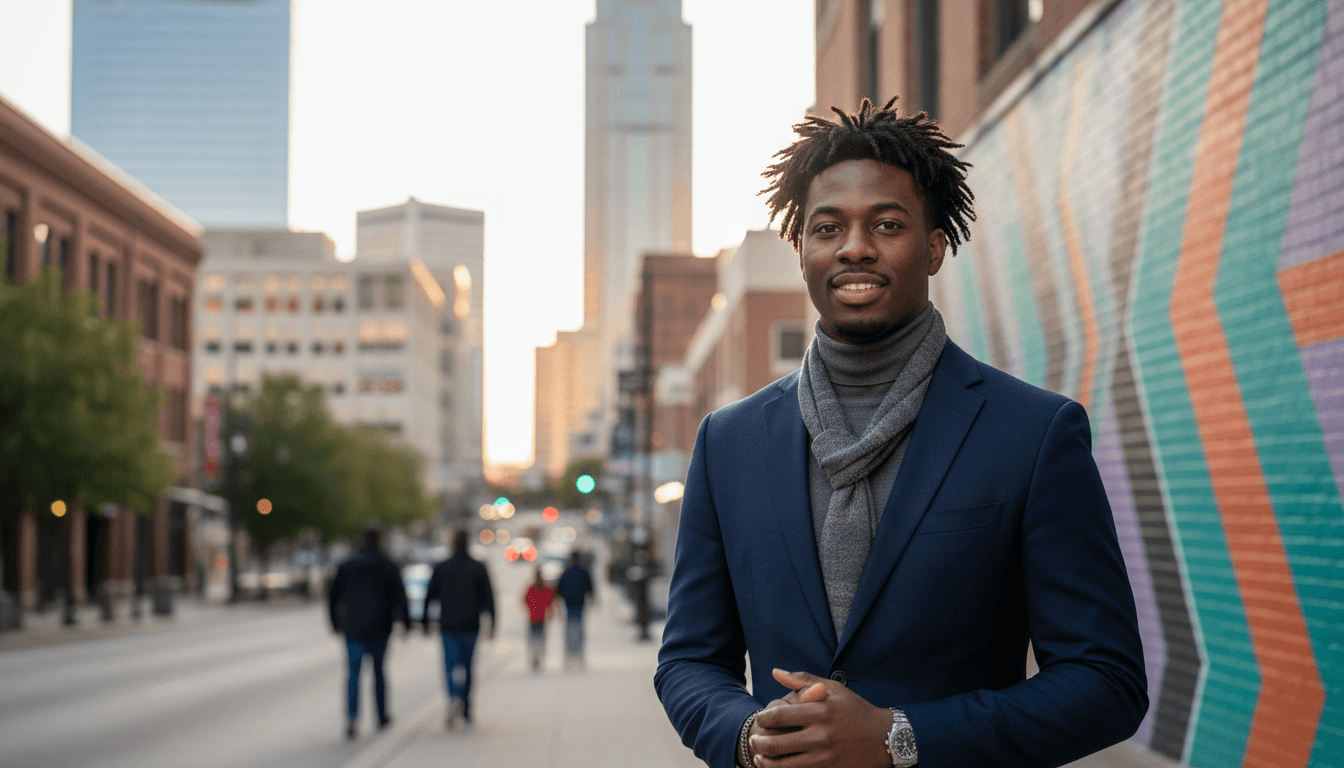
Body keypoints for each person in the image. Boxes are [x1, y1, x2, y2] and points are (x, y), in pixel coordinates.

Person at [654, 97, 1147, 768]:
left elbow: (1106, 681)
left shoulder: (1034, 434)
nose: (854, 246)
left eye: (886, 224)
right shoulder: (728, 443)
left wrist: (901, 738)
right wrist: (748, 737)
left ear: (936, 245)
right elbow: (688, 659)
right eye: (827, 228)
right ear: (802, 249)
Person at [328, 524, 409, 740]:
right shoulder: (389, 566)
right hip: (380, 627)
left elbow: (333, 596)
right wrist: (405, 623)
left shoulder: (346, 566)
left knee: (353, 675)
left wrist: (335, 623)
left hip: (353, 628)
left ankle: (352, 719)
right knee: (379, 673)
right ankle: (381, 716)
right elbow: (400, 598)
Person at [424, 529, 495, 728]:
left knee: (450, 665)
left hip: (448, 625)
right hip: (471, 625)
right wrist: (492, 623)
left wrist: (425, 621)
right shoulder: (478, 567)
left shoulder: (442, 567)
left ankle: (453, 696)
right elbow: (489, 598)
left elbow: (430, 595)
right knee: (468, 667)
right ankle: (466, 707)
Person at [556, 550, 596, 669]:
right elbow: (590, 588)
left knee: (571, 633)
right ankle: (577, 657)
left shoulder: (567, 572)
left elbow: (559, 590)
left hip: (572, 605)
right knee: (577, 632)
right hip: (577, 605)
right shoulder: (582, 572)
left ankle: (572, 657)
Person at [523, 568, 555, 671]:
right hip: (538, 618)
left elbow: (525, 600)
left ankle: (536, 657)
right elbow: (550, 601)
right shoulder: (544, 589)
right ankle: (537, 657)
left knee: (534, 640)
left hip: (535, 618)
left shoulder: (532, 589)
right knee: (539, 640)